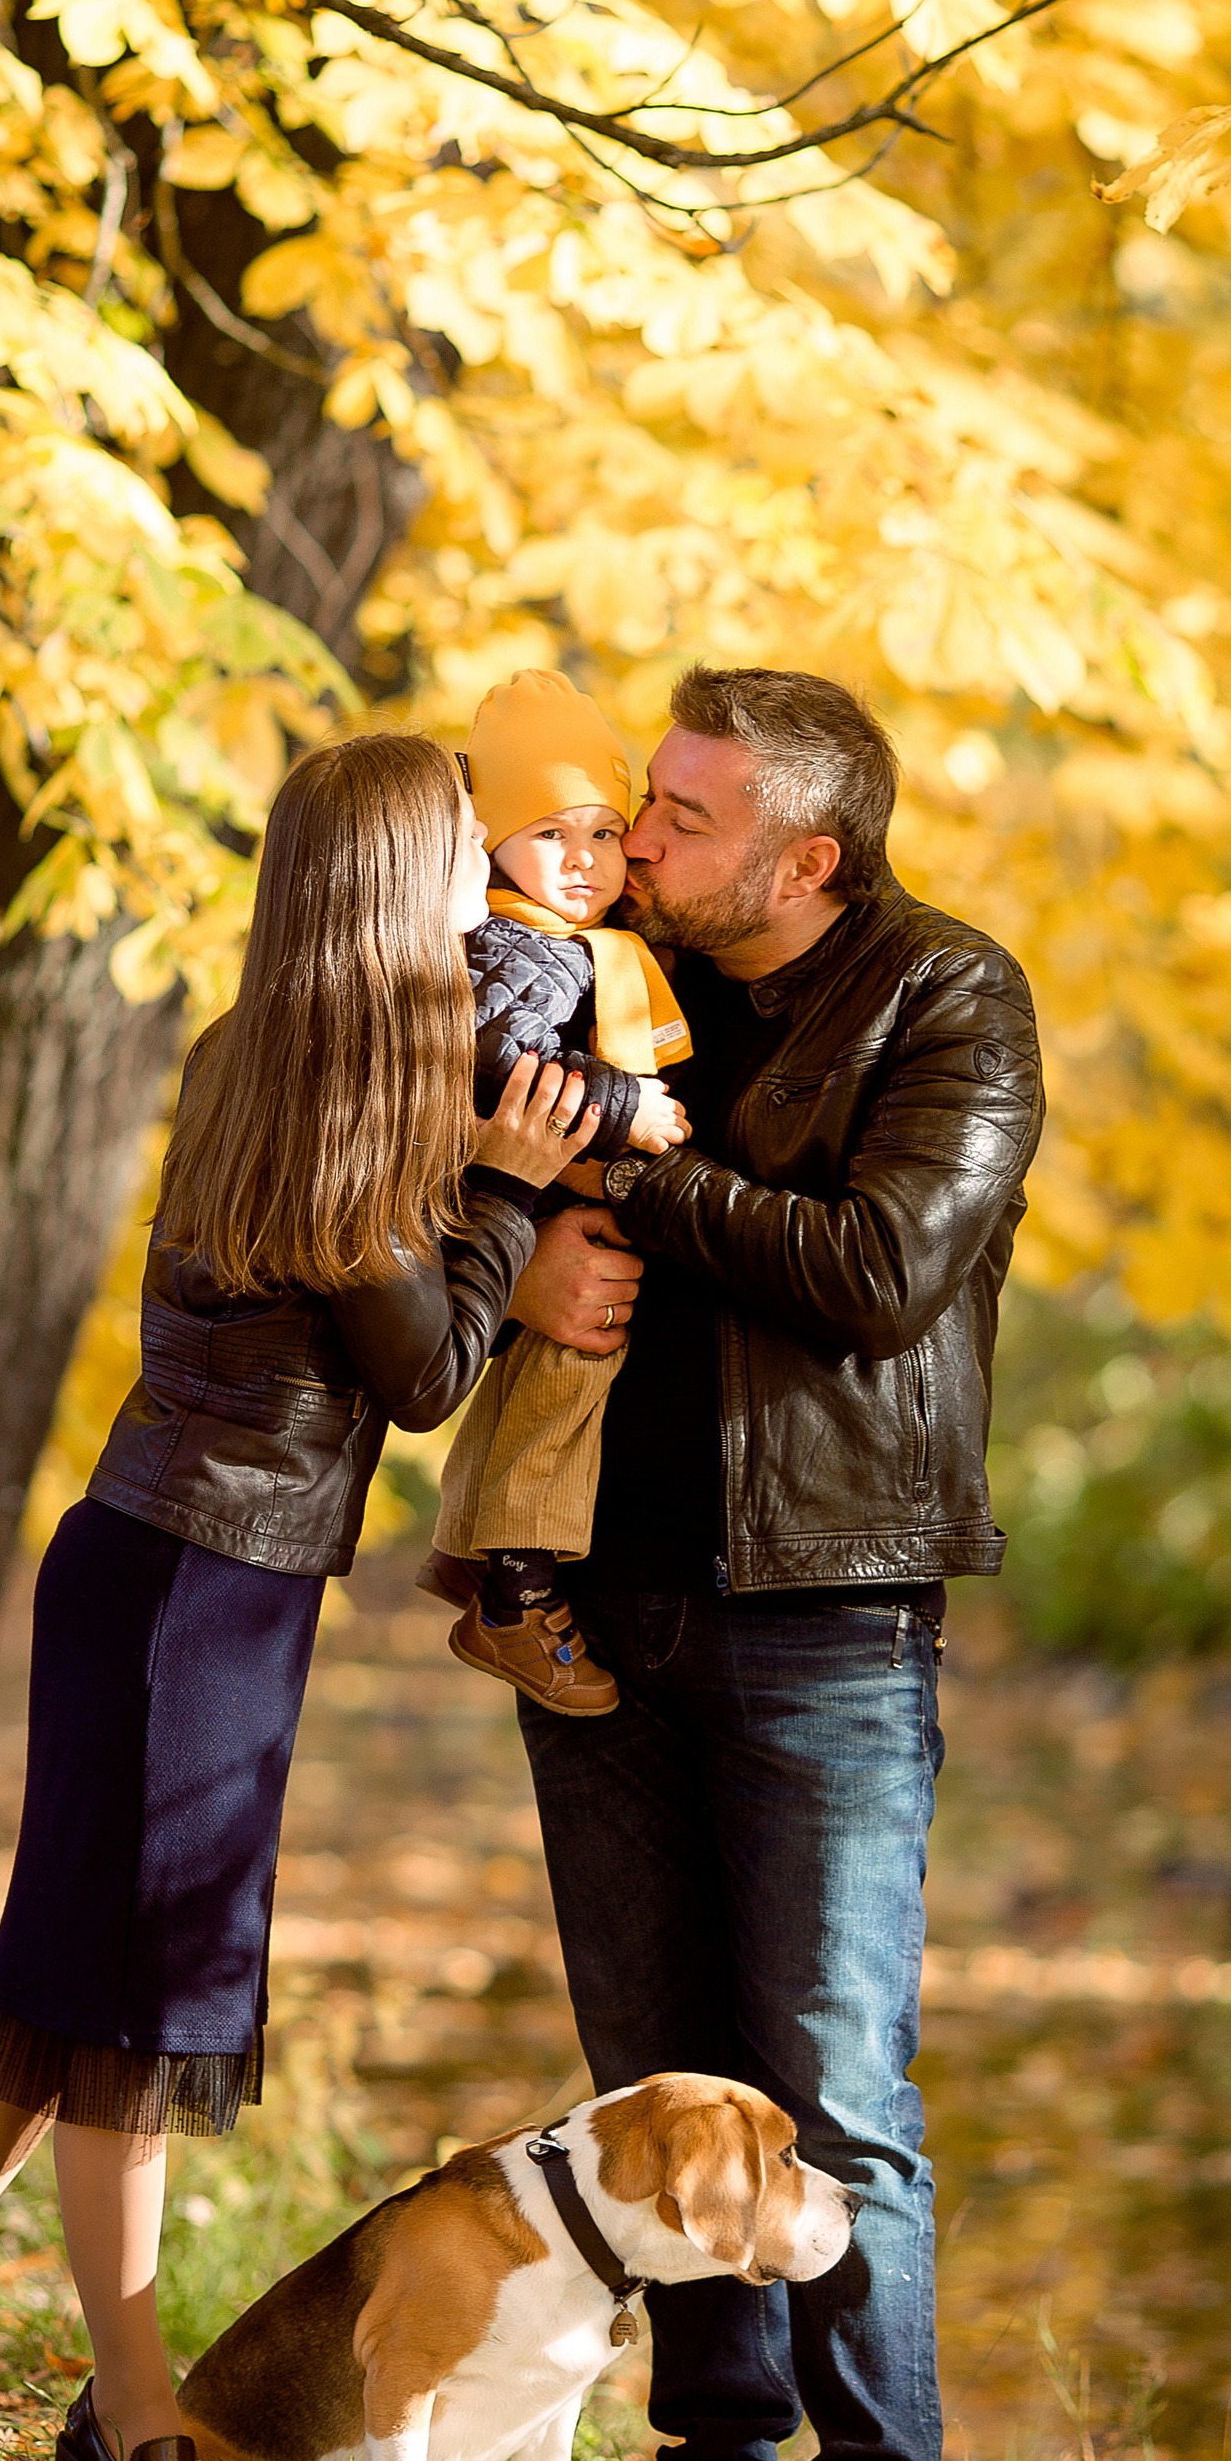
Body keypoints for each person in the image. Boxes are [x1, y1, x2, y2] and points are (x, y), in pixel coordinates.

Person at [0, 731, 598, 2461]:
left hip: (164, 1565)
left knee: (64, 1984)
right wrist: (510, 1193)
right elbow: (425, 1374)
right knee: (141, 2002)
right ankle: (133, 2407)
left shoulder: (259, 1052)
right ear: (391, 880)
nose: (487, 878)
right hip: (202, 1584)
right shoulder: (350, 1101)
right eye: (460, 850)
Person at [499, 666, 1042, 2461]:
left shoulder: (946, 1001)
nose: (638, 838)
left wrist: (625, 1177)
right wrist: (518, 1247)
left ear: (809, 857)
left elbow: (880, 1275)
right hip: (592, 1590)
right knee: (658, 2071)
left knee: (826, 2093)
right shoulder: (594, 963)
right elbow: (463, 1122)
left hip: (824, 1601)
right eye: (644, 801)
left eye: (685, 816)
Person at [427, 670, 691, 1717]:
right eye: (549, 836)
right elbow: (499, 1059)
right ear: (490, 842)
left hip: (535, 1190)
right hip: (520, 1197)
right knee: (575, 1360)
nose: (583, 861)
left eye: (602, 832)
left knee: (554, 1378)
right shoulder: (517, 947)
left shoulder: (577, 946)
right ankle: (517, 1584)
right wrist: (623, 1100)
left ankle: (489, 1565)